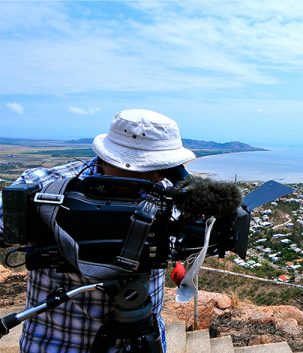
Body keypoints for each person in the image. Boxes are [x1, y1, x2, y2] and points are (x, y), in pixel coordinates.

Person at [0, 109, 196, 353]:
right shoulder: (44, 186)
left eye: (162, 168)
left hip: (142, 335)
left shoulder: (172, 194)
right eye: (150, 167)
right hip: (59, 342)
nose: (155, 176)